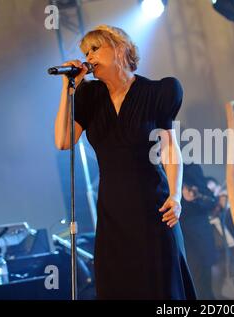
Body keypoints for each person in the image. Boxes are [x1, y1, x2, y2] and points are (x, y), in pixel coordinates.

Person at [54, 25, 196, 299]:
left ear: (120, 48)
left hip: (154, 207)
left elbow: (170, 148)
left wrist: (176, 195)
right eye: (85, 51)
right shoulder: (89, 96)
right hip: (112, 212)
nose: (89, 56)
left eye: (95, 48)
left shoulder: (160, 91)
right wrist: (68, 88)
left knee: (162, 288)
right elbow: (63, 140)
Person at [180, 164, 218, 299]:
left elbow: (212, 201)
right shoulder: (154, 170)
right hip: (170, 239)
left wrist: (197, 196)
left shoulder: (190, 169)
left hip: (196, 239)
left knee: (202, 287)